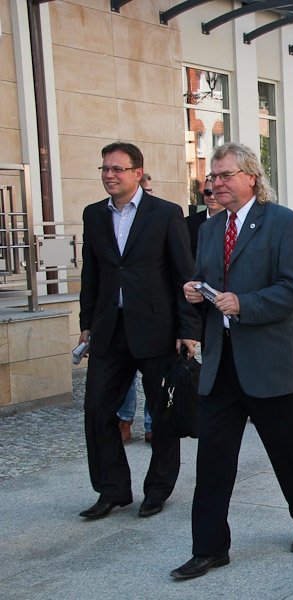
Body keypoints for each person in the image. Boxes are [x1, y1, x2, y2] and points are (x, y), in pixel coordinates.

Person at [171, 142, 293, 580]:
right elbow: (211, 282)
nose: (215, 183)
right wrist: (195, 293)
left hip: (270, 360)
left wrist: (245, 304)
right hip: (221, 363)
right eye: (212, 176)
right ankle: (209, 547)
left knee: (288, 448)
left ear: (251, 177)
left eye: (224, 175)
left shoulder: (284, 223)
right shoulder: (207, 229)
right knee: (213, 459)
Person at [78, 142, 200, 521]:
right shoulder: (93, 215)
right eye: (104, 169)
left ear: (137, 173)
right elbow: (91, 273)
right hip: (108, 330)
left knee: (162, 413)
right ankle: (112, 489)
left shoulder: (165, 213)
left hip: (156, 329)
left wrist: (187, 328)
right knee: (97, 409)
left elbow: (185, 275)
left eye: (117, 169)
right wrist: (86, 324)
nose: (109, 175)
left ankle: (157, 489)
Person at [116, 171, 158, 444]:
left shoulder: (161, 215)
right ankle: (124, 419)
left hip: (152, 313)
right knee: (124, 372)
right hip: (118, 314)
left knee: (153, 376)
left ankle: (152, 422)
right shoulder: (105, 216)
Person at [186, 179, 225, 258]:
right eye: (208, 192)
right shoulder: (188, 222)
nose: (212, 197)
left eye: (217, 193)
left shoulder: (235, 221)